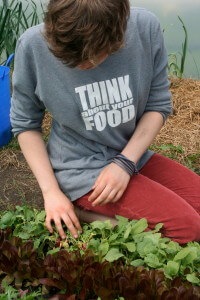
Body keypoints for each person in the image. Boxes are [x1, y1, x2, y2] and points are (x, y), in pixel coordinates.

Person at [10, 0, 200, 245]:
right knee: (188, 231)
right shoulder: (33, 44)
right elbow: (25, 124)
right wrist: (51, 193)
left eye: (88, 59)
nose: (79, 65)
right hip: (79, 168)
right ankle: (86, 214)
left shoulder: (145, 28)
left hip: (131, 155)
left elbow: (158, 105)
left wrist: (124, 163)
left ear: (117, 36)